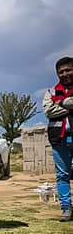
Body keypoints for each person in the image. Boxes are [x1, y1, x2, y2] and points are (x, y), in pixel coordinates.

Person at [43, 56, 73, 222]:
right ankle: (66, 208)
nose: (65, 74)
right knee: (62, 176)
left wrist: (60, 104)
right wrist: (68, 105)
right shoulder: (51, 92)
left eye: (68, 70)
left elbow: (55, 108)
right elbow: (48, 111)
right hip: (59, 139)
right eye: (61, 72)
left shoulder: (57, 97)